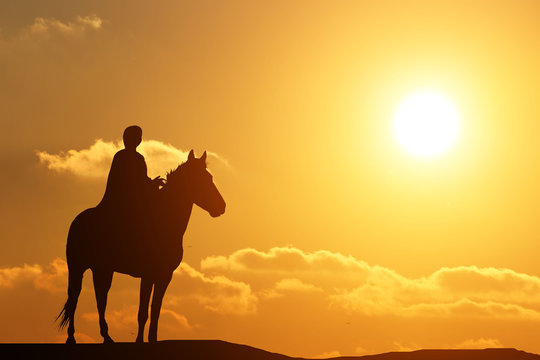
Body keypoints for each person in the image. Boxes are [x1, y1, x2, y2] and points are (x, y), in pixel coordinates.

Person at [98, 126, 164, 242]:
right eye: (136, 137)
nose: (138, 139)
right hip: (122, 199)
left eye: (139, 137)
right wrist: (148, 184)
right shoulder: (121, 156)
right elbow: (129, 180)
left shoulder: (139, 158)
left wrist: (151, 183)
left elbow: (142, 178)